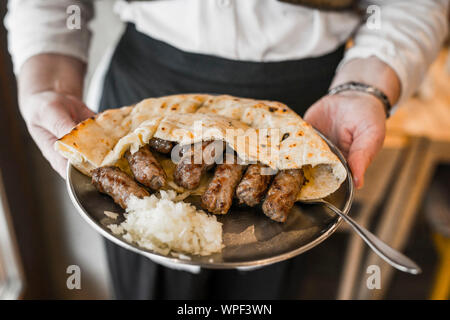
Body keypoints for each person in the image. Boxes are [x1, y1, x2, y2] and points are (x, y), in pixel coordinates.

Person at [5, 0, 448, 299]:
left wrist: (364, 88)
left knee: (272, 288)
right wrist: (45, 82)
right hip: (141, 103)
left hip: (307, 112)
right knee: (144, 272)